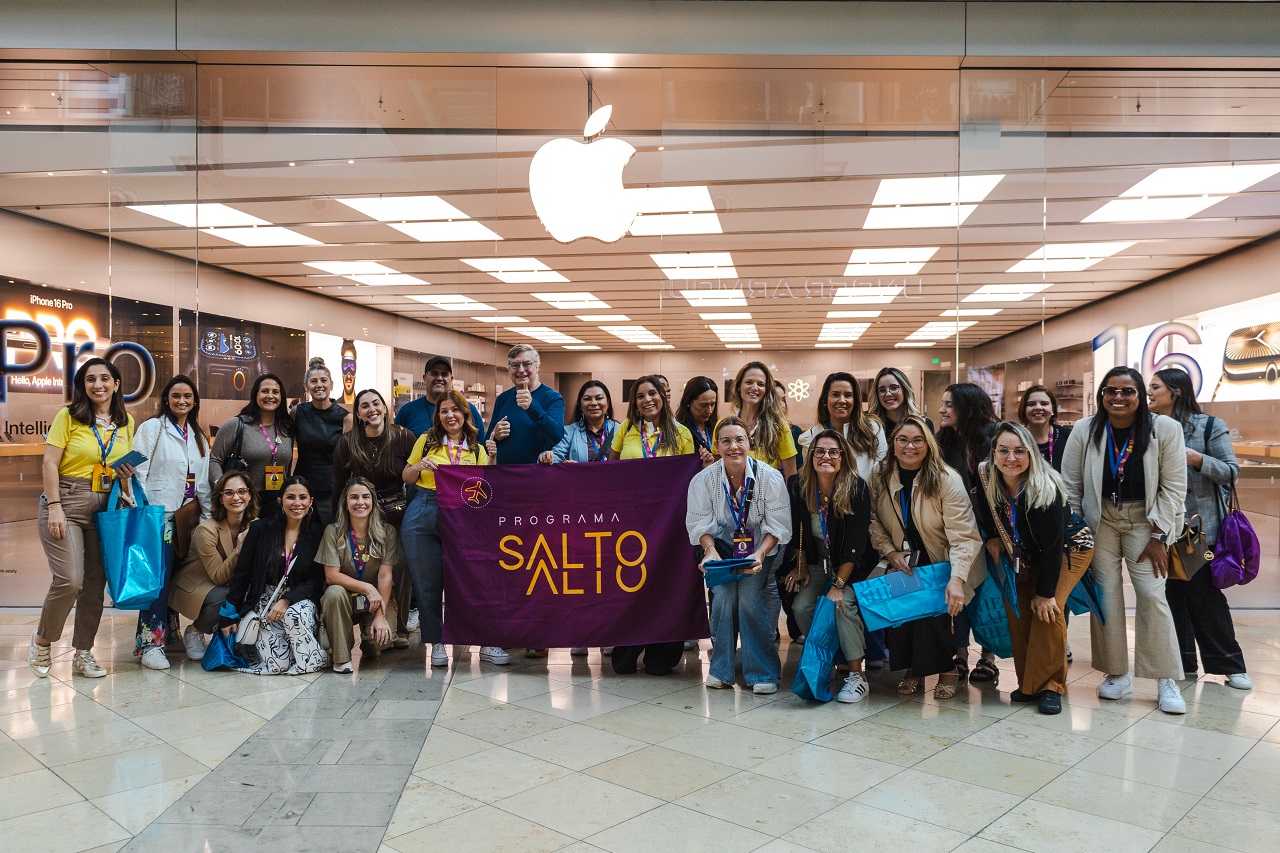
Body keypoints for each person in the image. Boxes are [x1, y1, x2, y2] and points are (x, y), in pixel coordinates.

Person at [1061, 366, 1188, 714]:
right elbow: (1070, 485)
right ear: (1102, 395)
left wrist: (1161, 535)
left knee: (1151, 593)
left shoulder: (1165, 429)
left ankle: (1166, 679)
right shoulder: (1085, 430)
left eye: (1127, 391)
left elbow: (1174, 487)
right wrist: (1075, 530)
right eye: (1111, 391)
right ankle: (1117, 672)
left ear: (1140, 396)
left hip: (1146, 522)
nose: (1118, 397)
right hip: (1099, 519)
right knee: (1106, 595)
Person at [29, 358, 137, 679]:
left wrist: (127, 486)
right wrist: (55, 505)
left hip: (106, 506)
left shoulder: (126, 422)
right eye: (90, 379)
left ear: (116, 384)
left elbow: (121, 468)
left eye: (105, 379)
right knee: (70, 579)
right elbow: (50, 463)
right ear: (83, 385)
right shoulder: (69, 416)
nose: (98, 385)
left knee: (94, 584)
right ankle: (43, 641)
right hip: (66, 500)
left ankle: (84, 652)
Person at [1149, 368, 1251, 690]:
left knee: (1205, 596)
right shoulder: (1147, 427)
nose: (1148, 392)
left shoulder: (1208, 426)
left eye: (1155, 387)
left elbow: (1232, 473)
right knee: (1171, 595)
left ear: (1175, 391)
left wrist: (1196, 459)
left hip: (1198, 528)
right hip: (1161, 526)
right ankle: (1182, 662)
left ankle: (1229, 665)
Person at [868, 416, 984, 700]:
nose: (910, 446)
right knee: (904, 618)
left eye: (918, 440)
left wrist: (956, 578)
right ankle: (913, 671)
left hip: (945, 556)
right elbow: (872, 520)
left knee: (939, 612)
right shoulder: (880, 474)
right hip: (902, 557)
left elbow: (963, 536)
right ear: (893, 444)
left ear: (928, 444)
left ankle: (948, 671)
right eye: (903, 440)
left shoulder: (946, 478)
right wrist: (890, 552)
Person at [974, 423, 1079, 715]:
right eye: (1004, 450)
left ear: (1031, 453)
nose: (1011, 457)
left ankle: (1051, 687)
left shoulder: (1047, 487)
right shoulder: (986, 476)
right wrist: (993, 535)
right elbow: (983, 509)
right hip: (1022, 554)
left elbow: (1053, 550)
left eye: (1020, 451)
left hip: (1069, 550)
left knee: (1047, 610)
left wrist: (1045, 593)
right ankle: (1029, 685)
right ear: (993, 453)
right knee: (1018, 612)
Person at [687, 416, 791, 693]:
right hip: (720, 549)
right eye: (726, 441)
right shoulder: (703, 480)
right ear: (717, 446)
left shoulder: (770, 477)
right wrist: (709, 550)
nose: (733, 446)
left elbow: (778, 527)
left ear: (749, 442)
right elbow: (700, 524)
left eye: (739, 439)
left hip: (761, 549)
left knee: (747, 597)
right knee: (723, 597)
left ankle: (762, 671)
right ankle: (721, 669)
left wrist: (758, 554)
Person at [402, 390, 505, 667]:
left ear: (465, 414)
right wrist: (420, 465)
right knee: (428, 584)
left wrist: (493, 459)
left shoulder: (477, 448)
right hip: (425, 509)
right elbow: (406, 475)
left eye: (455, 410)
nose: (450, 416)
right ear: (438, 416)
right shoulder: (426, 441)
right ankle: (436, 643)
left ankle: (485, 640)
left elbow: (486, 486)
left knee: (472, 581)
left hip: (464, 514)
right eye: (444, 411)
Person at [608, 375, 697, 675]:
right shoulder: (626, 430)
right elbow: (608, 471)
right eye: (640, 395)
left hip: (670, 525)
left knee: (665, 585)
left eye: (653, 393)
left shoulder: (682, 432)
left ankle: (663, 650)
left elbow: (691, 479)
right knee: (631, 584)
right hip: (631, 524)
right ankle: (628, 646)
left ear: (663, 396)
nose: (647, 400)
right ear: (634, 402)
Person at [785, 429, 876, 702]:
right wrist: (800, 567)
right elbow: (798, 533)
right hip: (818, 561)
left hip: (851, 566)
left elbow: (856, 546)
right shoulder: (798, 485)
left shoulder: (856, 487)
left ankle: (858, 675)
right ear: (811, 455)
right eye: (820, 451)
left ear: (842, 457)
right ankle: (829, 659)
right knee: (801, 606)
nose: (826, 457)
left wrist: (838, 585)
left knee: (841, 606)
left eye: (833, 452)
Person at [132, 375, 213, 670]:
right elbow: (136, 472)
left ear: (195, 402)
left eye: (188, 397)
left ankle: (171, 634)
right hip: (159, 517)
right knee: (159, 581)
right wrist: (142, 512)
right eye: (176, 396)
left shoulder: (198, 436)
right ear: (166, 399)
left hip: (187, 519)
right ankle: (150, 643)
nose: (182, 401)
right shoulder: (152, 428)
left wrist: (206, 520)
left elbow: (202, 483)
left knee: (179, 578)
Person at [333, 388, 418, 648]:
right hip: (361, 515)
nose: (372, 409)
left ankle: (400, 626)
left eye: (376, 403)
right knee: (363, 565)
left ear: (385, 406)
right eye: (365, 406)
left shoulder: (404, 437)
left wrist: (414, 514)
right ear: (358, 413)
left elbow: (415, 480)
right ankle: (369, 619)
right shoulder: (347, 442)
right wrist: (336, 523)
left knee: (401, 565)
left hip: (397, 513)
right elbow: (338, 485)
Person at [221, 475, 328, 675]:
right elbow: (242, 574)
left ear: (311, 502)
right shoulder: (260, 529)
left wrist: (287, 600)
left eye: (303, 497)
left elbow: (316, 579)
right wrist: (228, 615)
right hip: (265, 602)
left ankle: (317, 658)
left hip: (300, 600)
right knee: (276, 667)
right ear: (280, 501)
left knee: (294, 615)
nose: (297, 503)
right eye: (291, 497)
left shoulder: (317, 533)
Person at [937, 382, 1001, 684]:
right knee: (959, 589)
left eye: (950, 405)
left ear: (969, 409)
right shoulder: (944, 441)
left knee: (991, 594)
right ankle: (960, 655)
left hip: (993, 531)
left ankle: (988, 657)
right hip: (957, 528)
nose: (942, 410)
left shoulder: (993, 438)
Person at [171, 470, 258, 660]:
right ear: (220, 498)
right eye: (229, 493)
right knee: (229, 596)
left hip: (228, 583)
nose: (236, 497)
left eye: (242, 491)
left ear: (250, 495)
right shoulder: (206, 530)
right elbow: (219, 576)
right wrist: (239, 550)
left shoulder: (256, 525)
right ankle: (194, 631)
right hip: (197, 584)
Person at [318, 477, 399, 673]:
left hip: (376, 601)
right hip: (344, 598)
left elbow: (385, 576)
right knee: (334, 591)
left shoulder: (387, 532)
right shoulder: (333, 531)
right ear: (345, 503)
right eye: (353, 497)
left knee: (381, 640)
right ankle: (342, 657)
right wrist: (367, 588)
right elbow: (331, 576)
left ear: (373, 502)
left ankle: (368, 642)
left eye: (365, 497)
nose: (360, 502)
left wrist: (380, 616)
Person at [209, 373, 296, 517]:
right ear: (255, 394)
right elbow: (215, 460)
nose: (270, 396)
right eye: (265, 391)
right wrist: (224, 488)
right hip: (243, 503)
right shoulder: (236, 425)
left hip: (278, 504)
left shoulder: (286, 428)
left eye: (275, 392)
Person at [798, 372, 888, 481]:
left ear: (855, 401)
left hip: (868, 497)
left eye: (848, 395)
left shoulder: (872, 429)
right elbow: (811, 479)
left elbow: (881, 473)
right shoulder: (811, 437)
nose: (841, 400)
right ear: (825, 400)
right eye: (835, 394)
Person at [486, 344, 565, 464]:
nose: (521, 370)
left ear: (537, 366)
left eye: (527, 364)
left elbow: (556, 435)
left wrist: (532, 406)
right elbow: (487, 441)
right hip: (506, 475)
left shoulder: (552, 397)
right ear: (509, 370)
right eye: (515, 365)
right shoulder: (503, 398)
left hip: (536, 474)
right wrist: (495, 436)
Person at [293, 357, 349, 523]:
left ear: (331, 384)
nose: (319, 385)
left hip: (332, 488)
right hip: (302, 485)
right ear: (306, 386)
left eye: (323, 380)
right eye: (313, 381)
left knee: (329, 533)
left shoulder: (346, 418)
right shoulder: (297, 412)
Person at [730, 362, 798, 480]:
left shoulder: (780, 427)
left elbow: (791, 477)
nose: (755, 388)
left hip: (768, 496)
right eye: (749, 382)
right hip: (730, 497)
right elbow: (718, 472)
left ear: (766, 390)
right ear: (738, 386)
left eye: (761, 384)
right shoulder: (724, 427)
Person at [394, 355, 485, 439]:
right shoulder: (407, 411)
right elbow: (395, 448)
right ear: (424, 378)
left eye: (444, 374)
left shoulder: (467, 410)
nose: (439, 378)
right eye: (434, 373)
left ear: (451, 379)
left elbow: (481, 447)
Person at [540, 380, 619, 465]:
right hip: (582, 478)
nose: (593, 403)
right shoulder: (569, 432)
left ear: (608, 402)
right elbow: (556, 456)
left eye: (599, 398)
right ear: (580, 406)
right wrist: (547, 457)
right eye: (587, 399)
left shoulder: (621, 430)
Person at [1018, 385, 1072, 471]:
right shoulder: (1016, 438)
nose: (1038, 407)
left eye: (1044, 403)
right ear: (1024, 409)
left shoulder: (1068, 436)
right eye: (1031, 404)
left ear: (1053, 408)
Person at [867, 367, 934, 435]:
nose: (888, 394)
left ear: (905, 390)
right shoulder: (869, 425)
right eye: (882, 390)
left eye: (894, 388)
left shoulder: (924, 424)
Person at [676, 375, 719, 467]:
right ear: (688, 402)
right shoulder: (679, 430)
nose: (710, 410)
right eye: (703, 405)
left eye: (713, 404)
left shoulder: (715, 426)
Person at [340, 338, 358, 406]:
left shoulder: (361, 405)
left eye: (351, 366)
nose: (348, 375)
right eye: (345, 366)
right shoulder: (335, 405)